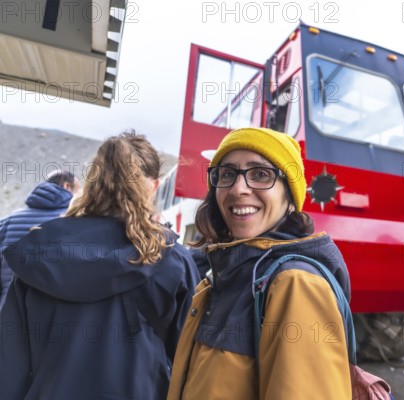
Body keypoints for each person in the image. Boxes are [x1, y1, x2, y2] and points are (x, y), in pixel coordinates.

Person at [0, 132, 200, 399]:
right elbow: (192, 361)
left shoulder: (40, 249)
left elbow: (9, 363)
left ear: (94, 183)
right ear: (153, 185)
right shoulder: (170, 258)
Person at [168, 127, 353, 399]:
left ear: (289, 198)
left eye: (261, 174)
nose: (238, 188)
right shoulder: (220, 276)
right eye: (228, 174)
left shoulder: (295, 285)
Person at [0, 170, 80, 308]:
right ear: (67, 186)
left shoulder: (8, 221)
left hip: (10, 310)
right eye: (79, 190)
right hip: (60, 312)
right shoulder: (79, 220)